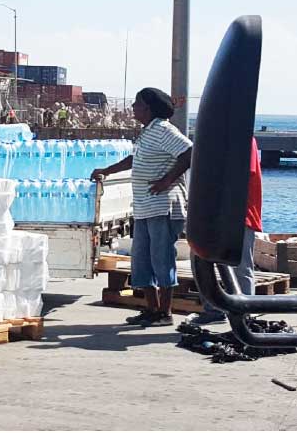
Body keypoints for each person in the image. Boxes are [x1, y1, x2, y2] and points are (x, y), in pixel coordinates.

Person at [91, 87, 192, 326]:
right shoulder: (147, 132)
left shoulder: (163, 129)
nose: (133, 108)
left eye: (137, 104)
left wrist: (166, 180)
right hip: (145, 206)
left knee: (161, 259)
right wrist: (107, 170)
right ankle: (151, 309)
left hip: (163, 206)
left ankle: (165, 313)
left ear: (148, 108)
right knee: (142, 260)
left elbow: (189, 152)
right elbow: (134, 159)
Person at [186, 137, 262, 325]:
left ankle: (245, 314)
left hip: (239, 214)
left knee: (241, 266)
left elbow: (242, 174)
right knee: (199, 259)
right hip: (212, 214)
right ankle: (213, 309)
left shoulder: (244, 139)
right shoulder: (217, 139)